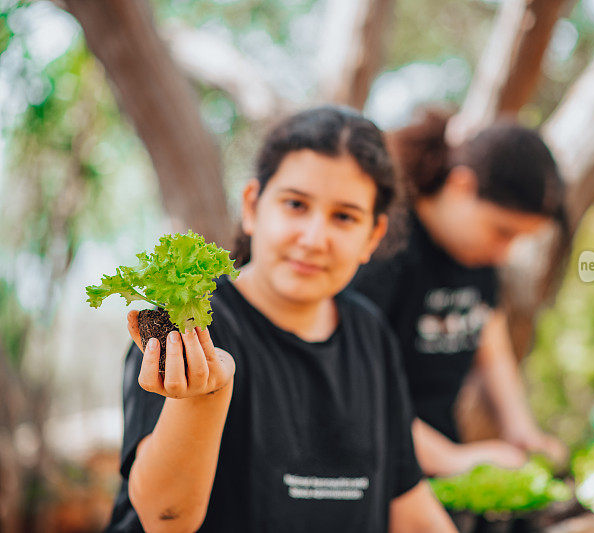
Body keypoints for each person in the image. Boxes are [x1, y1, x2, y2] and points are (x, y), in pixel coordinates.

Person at [106, 106, 456, 532]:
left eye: (344, 217)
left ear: (373, 236)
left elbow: (407, 501)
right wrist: (204, 397)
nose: (313, 239)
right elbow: (165, 517)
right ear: (252, 206)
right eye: (295, 204)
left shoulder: (370, 334)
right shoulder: (193, 321)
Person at [350, 109, 570, 478]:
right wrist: (453, 460)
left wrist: (522, 432)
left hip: (435, 462)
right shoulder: (385, 251)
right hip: (369, 467)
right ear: (461, 185)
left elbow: (491, 343)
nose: (505, 252)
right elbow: (351, 390)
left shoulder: (477, 258)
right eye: (503, 231)